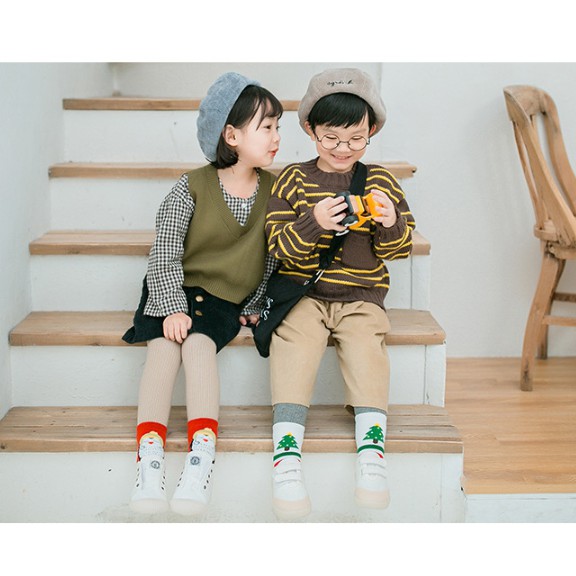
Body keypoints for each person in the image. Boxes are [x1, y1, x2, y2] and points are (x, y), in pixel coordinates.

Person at [123, 72, 282, 515]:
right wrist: (172, 307)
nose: (276, 137)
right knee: (162, 347)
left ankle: (201, 457)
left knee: (198, 346)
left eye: (278, 127)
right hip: (171, 287)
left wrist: (255, 303)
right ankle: (149, 458)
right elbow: (164, 252)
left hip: (221, 300)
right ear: (232, 136)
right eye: (266, 127)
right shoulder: (189, 186)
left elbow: (272, 259)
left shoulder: (276, 192)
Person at [265, 68, 415, 519]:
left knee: (368, 348)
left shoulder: (382, 182)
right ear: (310, 130)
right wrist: (314, 223)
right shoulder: (291, 180)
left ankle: (372, 456)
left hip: (362, 296)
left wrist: (390, 222)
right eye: (331, 138)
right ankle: (286, 458)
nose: (343, 149)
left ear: (372, 131)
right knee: (294, 344)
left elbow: (400, 249)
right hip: (306, 294)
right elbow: (279, 248)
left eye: (356, 139)